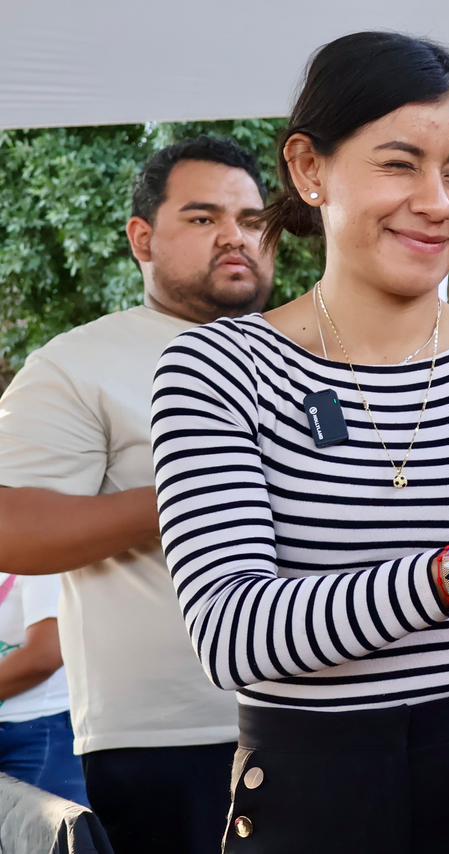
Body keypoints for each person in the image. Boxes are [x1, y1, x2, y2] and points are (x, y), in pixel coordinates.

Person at [148, 32, 449, 852]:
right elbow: (232, 633)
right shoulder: (216, 370)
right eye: (398, 164)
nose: (437, 202)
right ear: (309, 168)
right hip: (311, 801)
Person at [0, 136, 273, 853]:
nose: (235, 236)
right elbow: (14, 530)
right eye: (204, 217)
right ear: (143, 238)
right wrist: (195, 486)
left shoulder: (310, 349)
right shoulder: (76, 364)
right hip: (168, 738)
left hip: (331, 715)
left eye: (251, 218)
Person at [0, 573, 86, 804]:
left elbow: (45, 655)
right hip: (23, 734)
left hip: (36, 734)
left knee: (43, 838)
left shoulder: (36, 561)